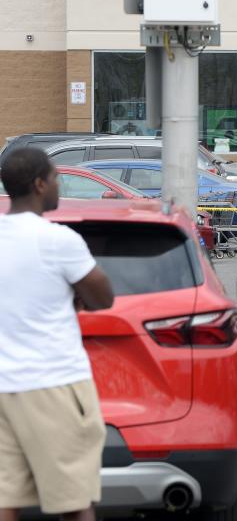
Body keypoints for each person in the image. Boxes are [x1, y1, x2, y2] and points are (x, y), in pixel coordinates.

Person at [0, 147, 114, 521]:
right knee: (74, 502)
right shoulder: (58, 241)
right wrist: (74, 296)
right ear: (38, 184)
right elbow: (102, 298)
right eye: (54, 178)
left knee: (5, 501)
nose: (57, 185)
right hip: (53, 384)